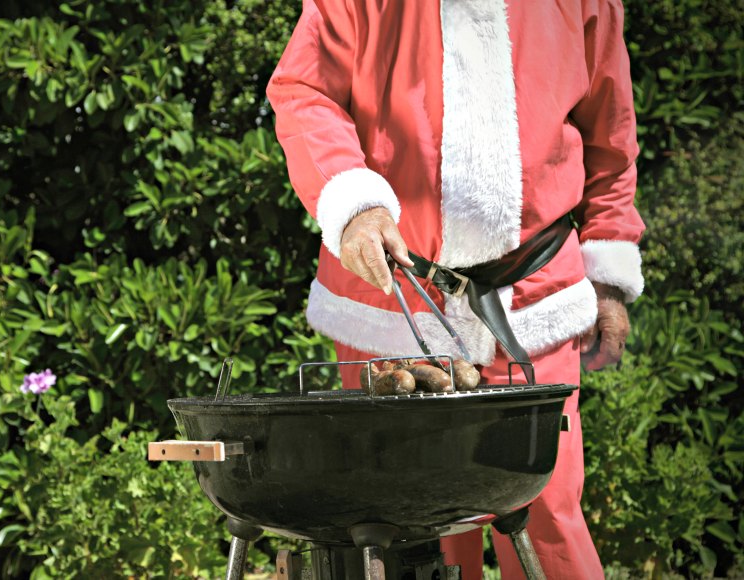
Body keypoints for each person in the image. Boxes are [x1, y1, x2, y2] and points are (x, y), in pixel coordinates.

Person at [266, 1, 644, 578]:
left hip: (535, 289)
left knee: (548, 513)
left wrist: (609, 277)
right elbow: (303, 92)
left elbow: (610, 137)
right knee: (394, 521)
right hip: (392, 291)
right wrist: (355, 207)